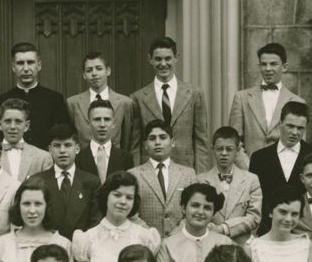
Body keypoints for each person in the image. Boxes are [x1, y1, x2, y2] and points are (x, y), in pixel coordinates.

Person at [73, 172, 160, 262]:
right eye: (117, 195)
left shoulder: (146, 237)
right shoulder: (86, 239)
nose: (123, 202)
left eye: (129, 197)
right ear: (106, 196)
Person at [129, 36, 210, 170]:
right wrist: (136, 175)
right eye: (158, 59)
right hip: (150, 169)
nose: (163, 64)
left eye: (168, 58)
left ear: (176, 57)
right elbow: (135, 144)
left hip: (185, 167)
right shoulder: (138, 98)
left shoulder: (194, 93)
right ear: (150, 59)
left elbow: (201, 140)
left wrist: (200, 177)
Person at [227, 43, 305, 167]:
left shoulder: (297, 101)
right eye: (263, 64)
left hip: (284, 172)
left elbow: (299, 143)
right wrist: (250, 170)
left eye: (273, 64)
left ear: (284, 67)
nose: (268, 69)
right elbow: (233, 140)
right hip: (250, 172)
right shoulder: (242, 98)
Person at [250, 101, 312, 235]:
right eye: (290, 126)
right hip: (268, 232)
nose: (295, 132)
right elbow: (254, 198)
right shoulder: (259, 158)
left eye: (300, 128)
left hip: (305, 232)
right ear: (279, 125)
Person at [0, 42, 72, 150]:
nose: (26, 68)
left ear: (39, 66)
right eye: (20, 63)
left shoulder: (55, 99)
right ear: (13, 67)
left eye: (30, 62)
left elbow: (62, 135)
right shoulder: (0, 101)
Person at [128, 120, 196, 237]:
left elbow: (193, 209)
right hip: (145, 241)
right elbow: (131, 212)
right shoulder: (133, 174)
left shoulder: (188, 174)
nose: (157, 142)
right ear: (145, 144)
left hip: (180, 240)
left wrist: (176, 234)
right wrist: (151, 235)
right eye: (152, 138)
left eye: (163, 137)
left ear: (173, 142)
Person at [197, 126, 263, 245]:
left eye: (229, 149)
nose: (224, 153)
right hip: (209, 245)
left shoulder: (251, 180)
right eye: (219, 149)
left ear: (237, 150)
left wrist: (223, 228)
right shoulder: (200, 180)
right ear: (212, 149)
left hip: (240, 246)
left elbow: (254, 217)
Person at [36, 124, 101, 240]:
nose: (62, 151)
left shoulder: (92, 182)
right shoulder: (38, 181)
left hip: (81, 248)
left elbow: (95, 222)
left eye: (67, 145)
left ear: (77, 149)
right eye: (57, 146)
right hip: (47, 247)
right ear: (50, 149)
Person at [67, 52, 133, 151]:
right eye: (89, 70)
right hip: (83, 162)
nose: (94, 73)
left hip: (115, 162)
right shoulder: (73, 103)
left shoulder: (125, 103)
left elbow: (127, 140)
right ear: (84, 75)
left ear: (108, 71)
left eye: (99, 68)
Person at [74, 99, 134, 183]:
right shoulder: (77, 158)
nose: (102, 125)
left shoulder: (126, 158)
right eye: (97, 119)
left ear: (113, 123)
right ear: (88, 123)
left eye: (107, 119)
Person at [0, 98, 53, 183]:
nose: (12, 126)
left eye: (18, 121)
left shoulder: (43, 158)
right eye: (8, 121)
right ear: (0, 124)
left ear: (26, 126)